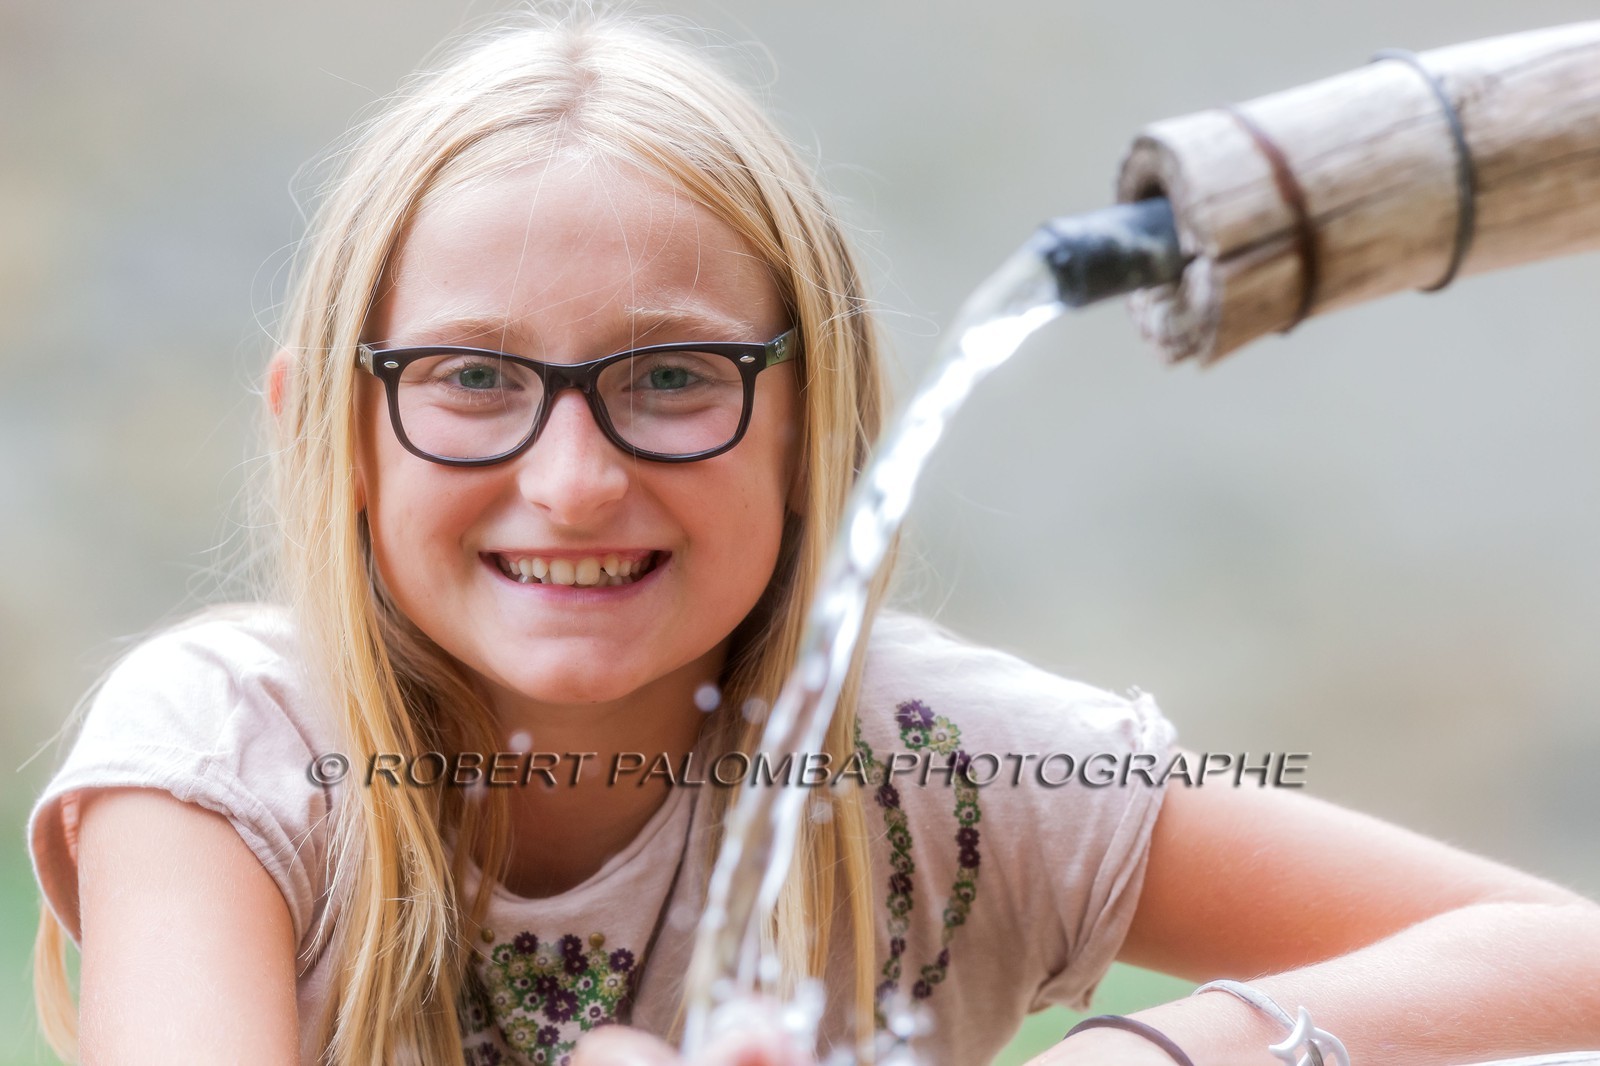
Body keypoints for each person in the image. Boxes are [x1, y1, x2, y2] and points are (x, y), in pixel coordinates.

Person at [25, 10, 1600, 1066]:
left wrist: (1158, 1051)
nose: (572, 477)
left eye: (669, 377)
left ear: (813, 422)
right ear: (329, 428)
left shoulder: (937, 770)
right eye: (474, 378)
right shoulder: (229, 760)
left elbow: (1558, 955)